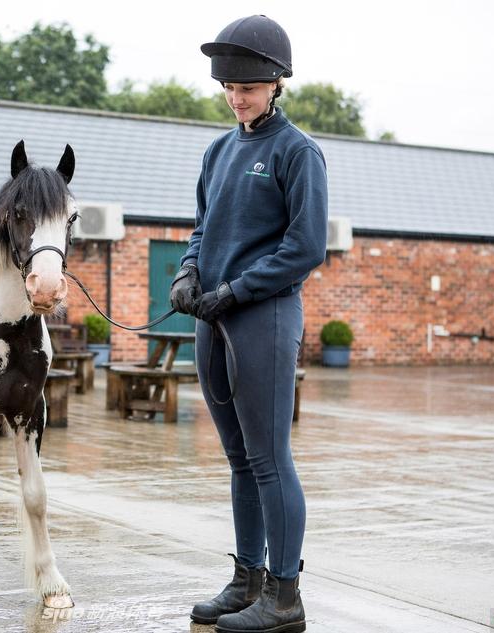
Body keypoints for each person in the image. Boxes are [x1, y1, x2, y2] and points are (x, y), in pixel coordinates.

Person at [170, 14, 328, 633]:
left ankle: (285, 597)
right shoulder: (219, 149)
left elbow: (305, 246)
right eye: (229, 88)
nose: (237, 97)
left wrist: (236, 289)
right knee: (239, 460)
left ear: (276, 83)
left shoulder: (297, 152)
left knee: (269, 458)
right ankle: (247, 580)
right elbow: (203, 228)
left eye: (249, 87)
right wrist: (187, 272)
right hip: (212, 318)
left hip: (263, 315)